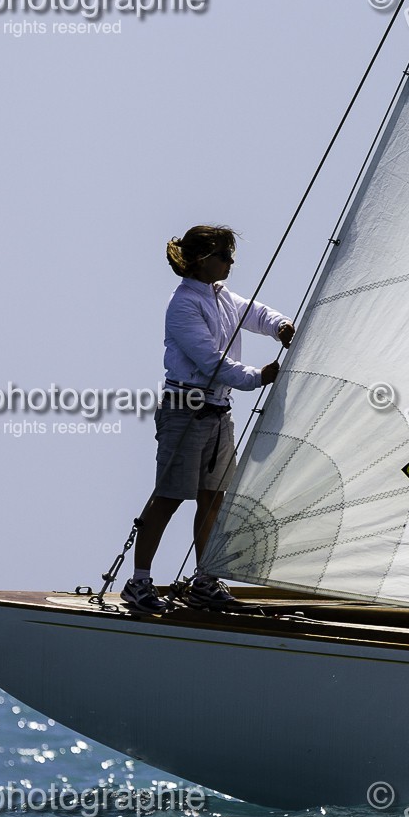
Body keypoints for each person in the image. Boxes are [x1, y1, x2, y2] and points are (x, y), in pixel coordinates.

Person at [121, 224, 295, 615]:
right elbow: (209, 361)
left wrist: (281, 326)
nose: (231, 262)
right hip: (185, 410)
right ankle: (139, 582)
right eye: (224, 255)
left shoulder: (222, 296)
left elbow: (259, 315)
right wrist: (257, 377)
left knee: (214, 499)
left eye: (231, 254)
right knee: (168, 498)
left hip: (218, 413)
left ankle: (204, 581)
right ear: (202, 261)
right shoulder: (183, 303)